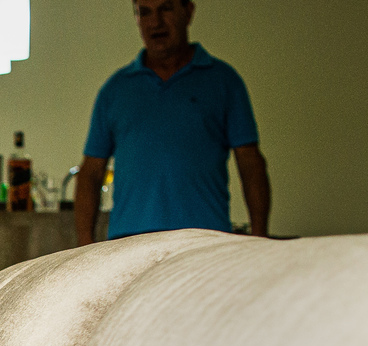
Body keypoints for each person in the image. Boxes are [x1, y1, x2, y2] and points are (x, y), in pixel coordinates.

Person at [75, 0, 270, 245]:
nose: (155, 22)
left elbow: (250, 164)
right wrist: (84, 246)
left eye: (165, 8)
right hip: (128, 245)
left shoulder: (223, 81)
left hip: (204, 241)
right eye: (144, 12)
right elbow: (91, 172)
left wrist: (260, 238)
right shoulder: (115, 90)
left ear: (188, 12)